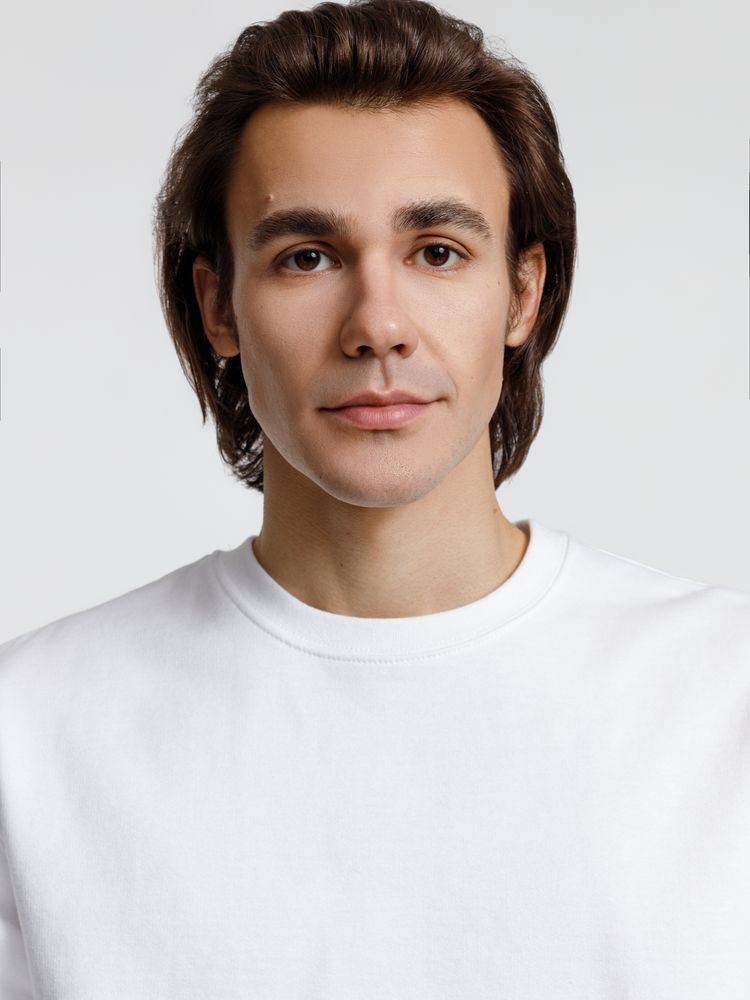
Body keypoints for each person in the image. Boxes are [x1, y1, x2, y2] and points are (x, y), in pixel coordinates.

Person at [1, 0, 748, 995]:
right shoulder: (31, 732)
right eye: (306, 257)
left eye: (437, 250)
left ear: (523, 292)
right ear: (220, 306)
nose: (377, 326)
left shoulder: (723, 697)